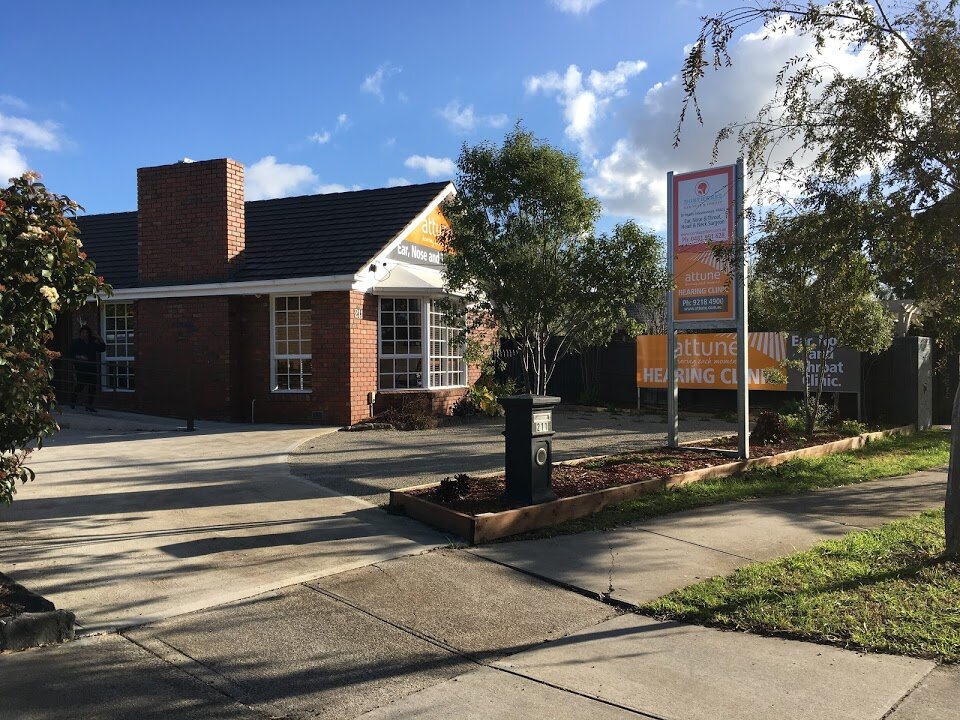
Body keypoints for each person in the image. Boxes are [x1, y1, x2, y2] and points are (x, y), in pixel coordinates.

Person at [70, 325, 106, 411]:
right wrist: (79, 357)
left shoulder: (92, 342)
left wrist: (100, 339)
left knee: (93, 387)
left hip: (91, 367)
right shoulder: (76, 342)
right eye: (83, 333)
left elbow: (102, 349)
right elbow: (71, 354)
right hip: (81, 367)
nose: (84, 335)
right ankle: (73, 401)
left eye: (86, 333)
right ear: (80, 334)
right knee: (80, 385)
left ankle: (89, 405)